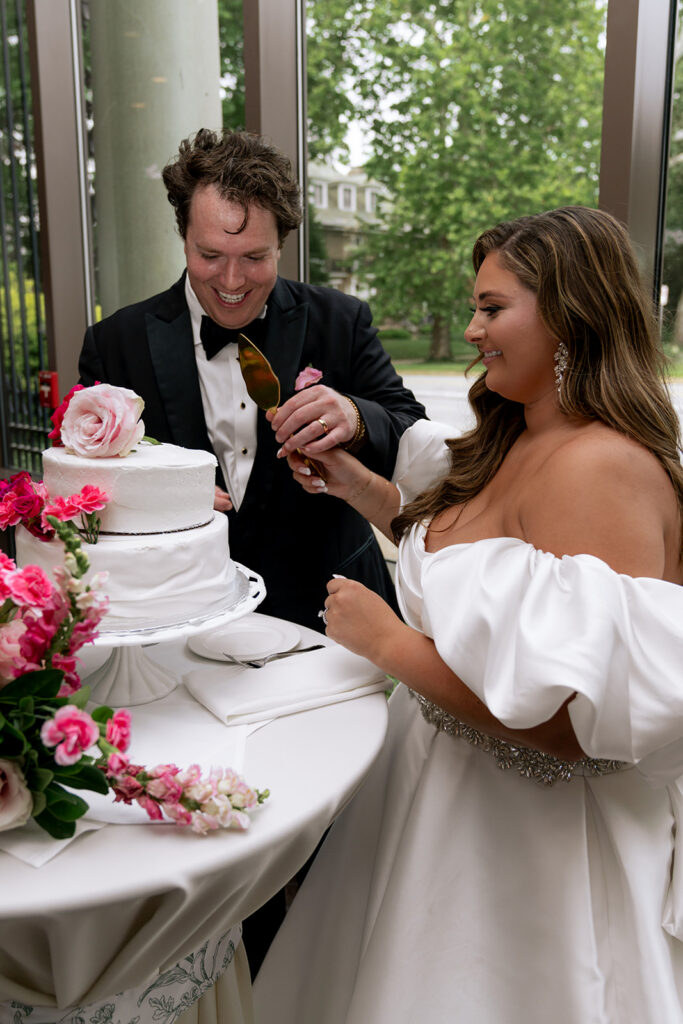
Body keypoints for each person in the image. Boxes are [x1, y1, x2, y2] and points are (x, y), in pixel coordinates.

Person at [253, 206, 683, 1023]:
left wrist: (387, 643)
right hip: (433, 798)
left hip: (529, 858)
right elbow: (475, 578)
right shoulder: (518, 431)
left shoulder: (602, 469)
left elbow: (574, 728)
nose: (471, 328)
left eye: (491, 308)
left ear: (568, 312)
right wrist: (358, 487)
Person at [78, 128, 426, 633]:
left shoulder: (340, 321)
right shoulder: (114, 343)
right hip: (176, 609)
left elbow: (412, 432)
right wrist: (162, 495)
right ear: (183, 238)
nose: (232, 281)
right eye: (210, 255)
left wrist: (353, 416)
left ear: (281, 245)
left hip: (330, 604)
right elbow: (88, 489)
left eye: (254, 258)